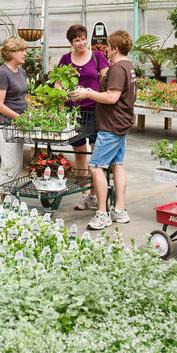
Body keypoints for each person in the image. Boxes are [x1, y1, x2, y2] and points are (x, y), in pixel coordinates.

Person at [68, 30, 136, 230]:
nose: (105, 48)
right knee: (118, 164)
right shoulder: (128, 67)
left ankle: (102, 213)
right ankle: (119, 211)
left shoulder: (116, 69)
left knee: (96, 167)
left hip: (111, 125)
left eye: (107, 46)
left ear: (115, 49)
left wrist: (88, 93)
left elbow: (112, 97)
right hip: (122, 123)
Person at [57, 24, 109, 210]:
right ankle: (84, 194)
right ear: (70, 43)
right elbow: (58, 84)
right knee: (79, 152)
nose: (81, 42)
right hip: (74, 112)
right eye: (76, 40)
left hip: (95, 111)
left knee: (96, 153)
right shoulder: (65, 59)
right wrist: (64, 95)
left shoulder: (97, 57)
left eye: (83, 38)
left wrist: (90, 93)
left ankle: (95, 195)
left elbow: (107, 82)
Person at [0, 36, 28, 198]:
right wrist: (18, 117)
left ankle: (7, 200)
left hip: (18, 124)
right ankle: (0, 202)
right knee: (9, 165)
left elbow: (20, 98)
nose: (25, 54)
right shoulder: (3, 73)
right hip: (5, 124)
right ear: (11, 52)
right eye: (22, 50)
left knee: (16, 165)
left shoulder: (21, 72)